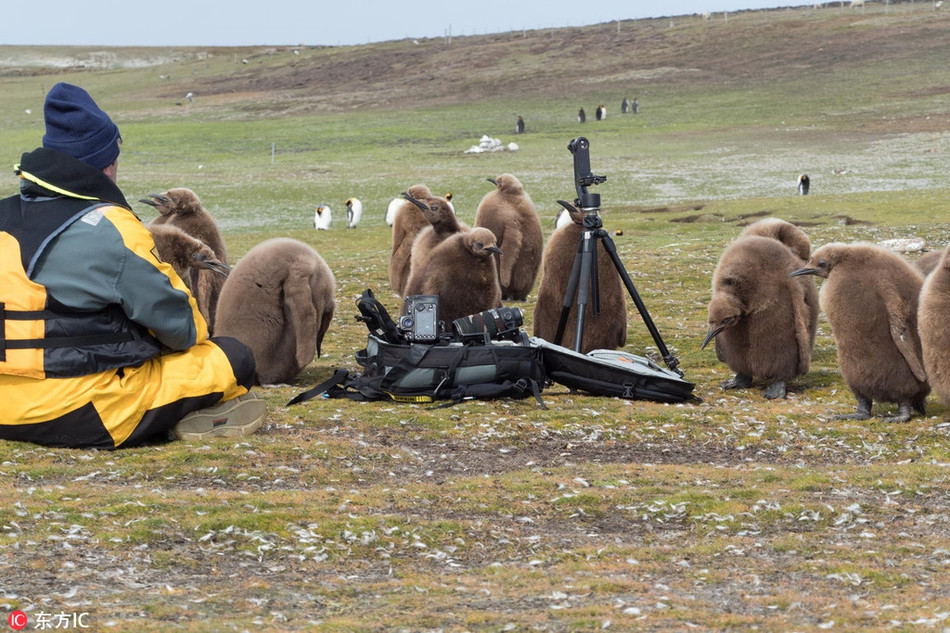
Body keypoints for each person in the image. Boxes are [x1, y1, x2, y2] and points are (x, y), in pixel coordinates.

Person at [0, 82, 265, 449]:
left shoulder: (3, 215)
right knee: (233, 356)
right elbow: (183, 328)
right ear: (106, 165)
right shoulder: (112, 227)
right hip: (80, 410)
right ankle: (190, 416)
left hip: (3, 406)